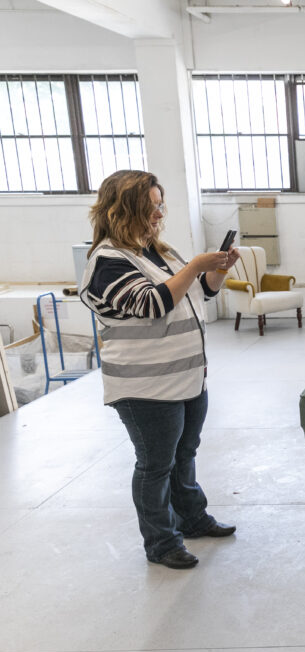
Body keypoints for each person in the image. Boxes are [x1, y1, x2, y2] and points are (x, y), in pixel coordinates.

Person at [80, 170, 240, 569]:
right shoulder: (108, 261)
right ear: (125, 209)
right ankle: (162, 543)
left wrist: (218, 268)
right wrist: (196, 265)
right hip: (146, 388)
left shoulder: (160, 252)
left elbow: (199, 291)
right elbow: (153, 303)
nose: (159, 213)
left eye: (160, 205)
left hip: (186, 379)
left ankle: (192, 519)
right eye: (151, 206)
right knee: (155, 466)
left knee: (185, 454)